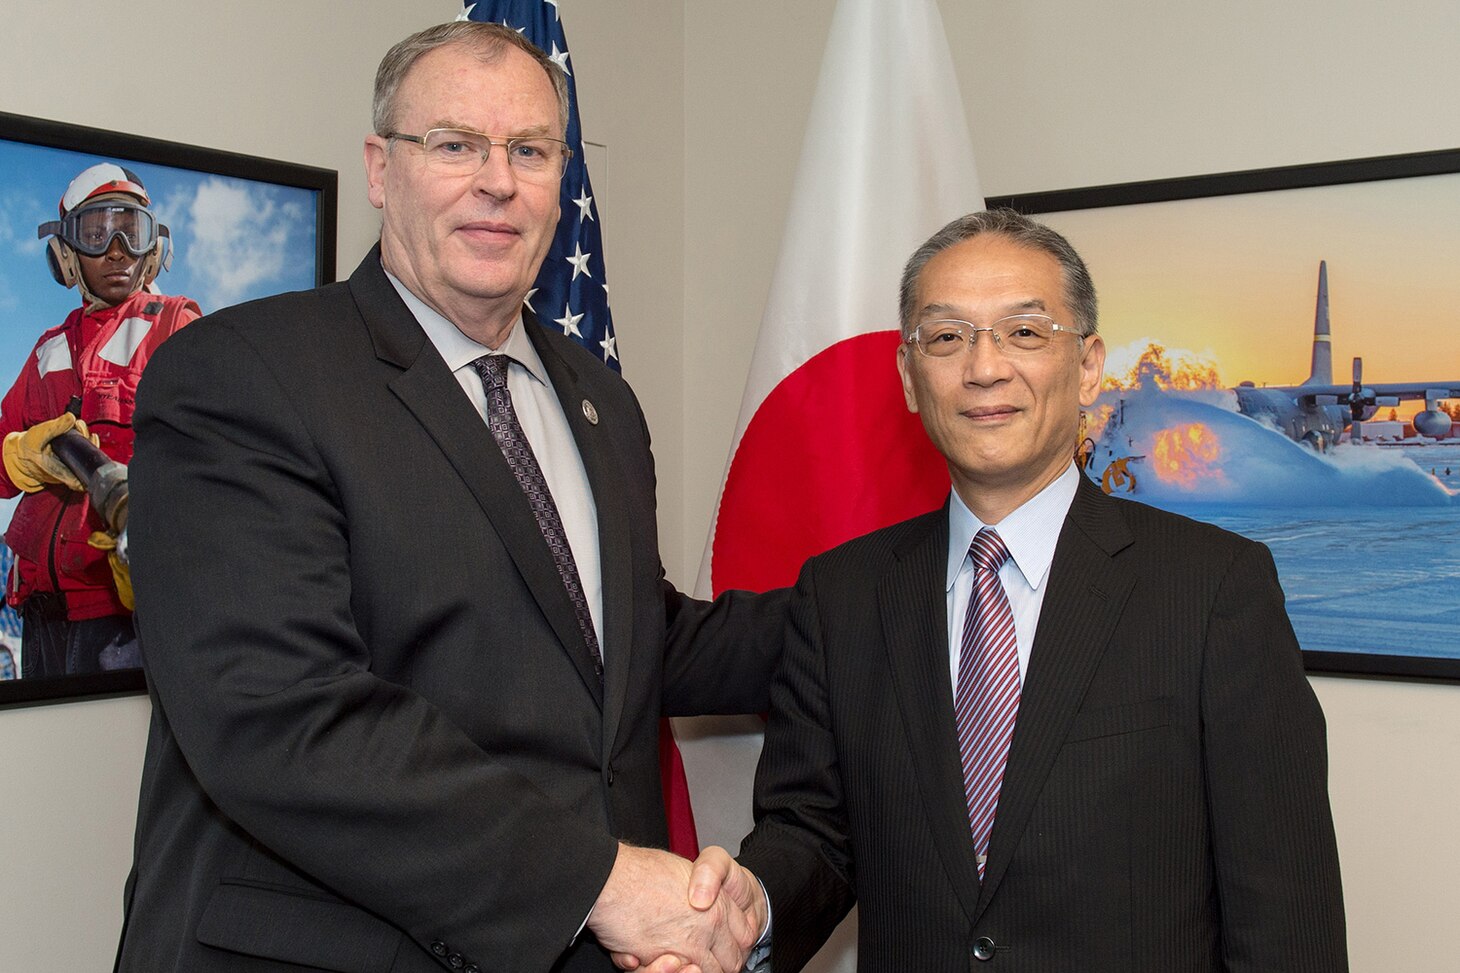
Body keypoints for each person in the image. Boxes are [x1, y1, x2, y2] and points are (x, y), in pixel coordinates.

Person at [116, 21, 782, 973]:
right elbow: (282, 717)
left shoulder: (601, 401)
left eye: (530, 150)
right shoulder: (242, 375)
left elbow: (625, 644)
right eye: (456, 144)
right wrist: (602, 881)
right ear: (381, 168)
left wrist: (907, 595)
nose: (497, 181)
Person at [684, 210, 1348, 971]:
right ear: (908, 375)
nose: (984, 367)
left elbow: (1287, 926)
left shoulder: (1214, 591)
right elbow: (814, 835)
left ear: (1091, 364)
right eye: (946, 337)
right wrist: (752, 907)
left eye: (1025, 333)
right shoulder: (842, 597)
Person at [0, 163, 199, 679]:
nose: (116, 249)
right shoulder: (47, 351)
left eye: (130, 231)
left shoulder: (174, 327)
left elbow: (216, 462)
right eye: (96, 232)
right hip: (40, 615)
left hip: (121, 617)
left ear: (153, 246)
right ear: (66, 253)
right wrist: (19, 455)